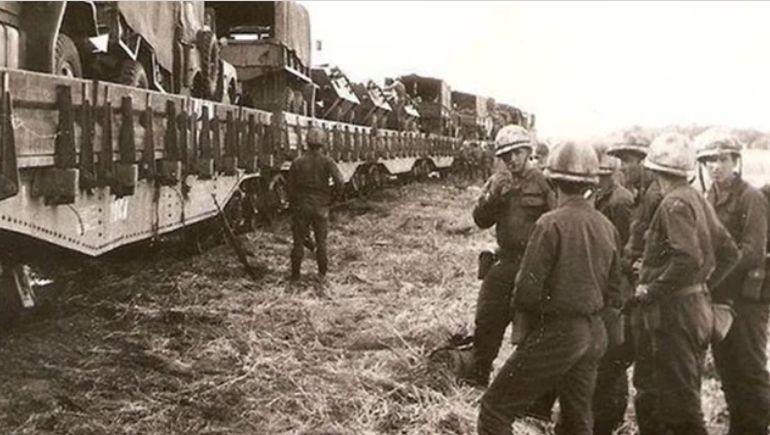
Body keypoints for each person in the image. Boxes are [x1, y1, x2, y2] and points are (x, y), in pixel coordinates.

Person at [477, 141, 623, 435]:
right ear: (592, 184)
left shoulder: (549, 223)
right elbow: (615, 290)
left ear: (554, 181)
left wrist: (527, 334)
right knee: (576, 421)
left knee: (494, 409)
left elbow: (527, 289)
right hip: (594, 333)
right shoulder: (606, 226)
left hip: (559, 331)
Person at [632, 132, 740, 435]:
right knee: (667, 395)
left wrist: (651, 289)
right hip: (693, 308)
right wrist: (701, 285)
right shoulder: (696, 200)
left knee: (675, 405)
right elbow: (730, 253)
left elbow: (687, 258)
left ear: (655, 171)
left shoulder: (673, 203)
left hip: (673, 314)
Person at [464, 124, 555, 388]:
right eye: (506, 156)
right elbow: (480, 220)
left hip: (534, 265)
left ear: (528, 151)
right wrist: (494, 197)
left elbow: (557, 220)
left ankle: (524, 387)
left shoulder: (544, 182)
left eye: (516, 153)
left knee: (533, 329)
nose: (512, 160)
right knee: (487, 319)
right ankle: (479, 375)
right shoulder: (497, 182)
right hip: (505, 262)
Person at [694, 128, 770, 435]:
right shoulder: (707, 197)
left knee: (749, 371)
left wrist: (713, 277)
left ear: (735, 161)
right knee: (727, 370)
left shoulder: (750, 197)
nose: (715, 166)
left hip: (747, 299)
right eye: (708, 160)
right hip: (720, 298)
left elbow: (752, 251)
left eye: (721, 159)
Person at [286, 126, 345, 281]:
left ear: (307, 142)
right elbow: (340, 182)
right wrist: (333, 199)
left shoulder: (297, 162)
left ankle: (295, 276)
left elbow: (289, 188)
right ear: (323, 143)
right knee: (321, 242)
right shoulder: (327, 161)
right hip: (321, 207)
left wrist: (295, 204)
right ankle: (322, 275)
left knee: (298, 242)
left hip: (302, 206)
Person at [606, 132, 662, 272]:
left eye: (627, 161)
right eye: (621, 162)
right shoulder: (642, 192)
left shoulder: (655, 196)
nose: (622, 167)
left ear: (644, 162)